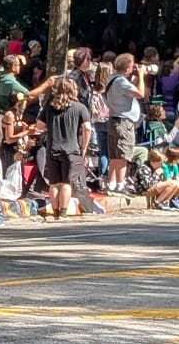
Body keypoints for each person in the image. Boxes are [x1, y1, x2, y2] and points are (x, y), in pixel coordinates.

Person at [34, 78, 92, 220]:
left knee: (54, 183)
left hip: (52, 149)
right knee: (66, 183)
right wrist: (83, 148)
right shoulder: (79, 107)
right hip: (72, 150)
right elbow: (87, 128)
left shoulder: (49, 107)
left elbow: (39, 126)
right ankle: (63, 213)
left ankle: (54, 212)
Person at [104, 53, 146, 196]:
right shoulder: (121, 81)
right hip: (123, 122)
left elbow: (128, 90)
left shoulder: (113, 78)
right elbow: (140, 93)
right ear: (128, 68)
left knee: (115, 155)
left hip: (115, 120)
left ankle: (111, 183)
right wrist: (141, 76)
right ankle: (120, 184)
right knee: (123, 155)